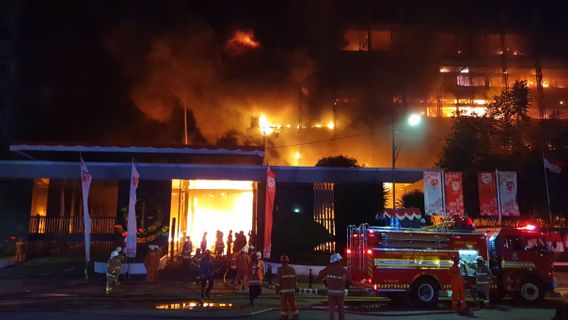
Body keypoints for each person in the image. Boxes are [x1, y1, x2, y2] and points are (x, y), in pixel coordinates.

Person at [319, 253, 350, 320]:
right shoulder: (342, 269)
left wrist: (325, 282)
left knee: (331, 308)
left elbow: (320, 274)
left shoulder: (328, 268)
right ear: (338, 260)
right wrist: (346, 285)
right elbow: (349, 279)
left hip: (331, 291)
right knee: (341, 308)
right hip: (340, 292)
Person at [278, 255, 299, 320]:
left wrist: (277, 288)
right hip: (292, 290)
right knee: (292, 303)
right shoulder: (292, 269)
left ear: (281, 262)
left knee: (284, 304)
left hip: (283, 290)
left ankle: (284, 317)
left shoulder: (280, 269)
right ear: (288, 261)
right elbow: (295, 279)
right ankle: (295, 316)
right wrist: (295, 287)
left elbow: (278, 280)